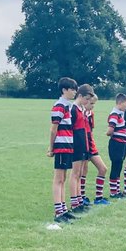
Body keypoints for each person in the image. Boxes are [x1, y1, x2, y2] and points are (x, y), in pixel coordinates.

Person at [47, 77, 77, 223]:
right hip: (61, 145)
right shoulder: (59, 105)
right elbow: (54, 128)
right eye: (72, 89)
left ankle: (63, 210)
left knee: (63, 178)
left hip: (68, 145)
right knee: (58, 179)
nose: (74, 92)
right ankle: (58, 212)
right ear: (64, 90)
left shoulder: (68, 106)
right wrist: (51, 147)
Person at [69, 84, 93, 213]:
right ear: (80, 96)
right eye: (86, 99)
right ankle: (74, 203)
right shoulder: (73, 109)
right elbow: (70, 129)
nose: (88, 102)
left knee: (79, 174)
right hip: (76, 145)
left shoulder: (81, 109)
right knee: (75, 174)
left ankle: (79, 201)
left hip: (83, 145)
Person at [85, 94, 111, 205]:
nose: (93, 106)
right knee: (82, 172)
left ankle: (98, 198)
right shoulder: (78, 112)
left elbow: (91, 131)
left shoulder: (91, 114)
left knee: (103, 169)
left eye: (94, 104)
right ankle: (81, 197)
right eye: (91, 103)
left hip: (91, 146)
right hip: (82, 146)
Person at [105, 93, 126, 198]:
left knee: (119, 166)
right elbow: (110, 129)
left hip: (122, 143)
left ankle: (117, 190)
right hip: (116, 143)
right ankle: (113, 192)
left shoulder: (120, 113)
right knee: (115, 166)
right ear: (120, 103)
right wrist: (109, 133)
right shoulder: (115, 114)